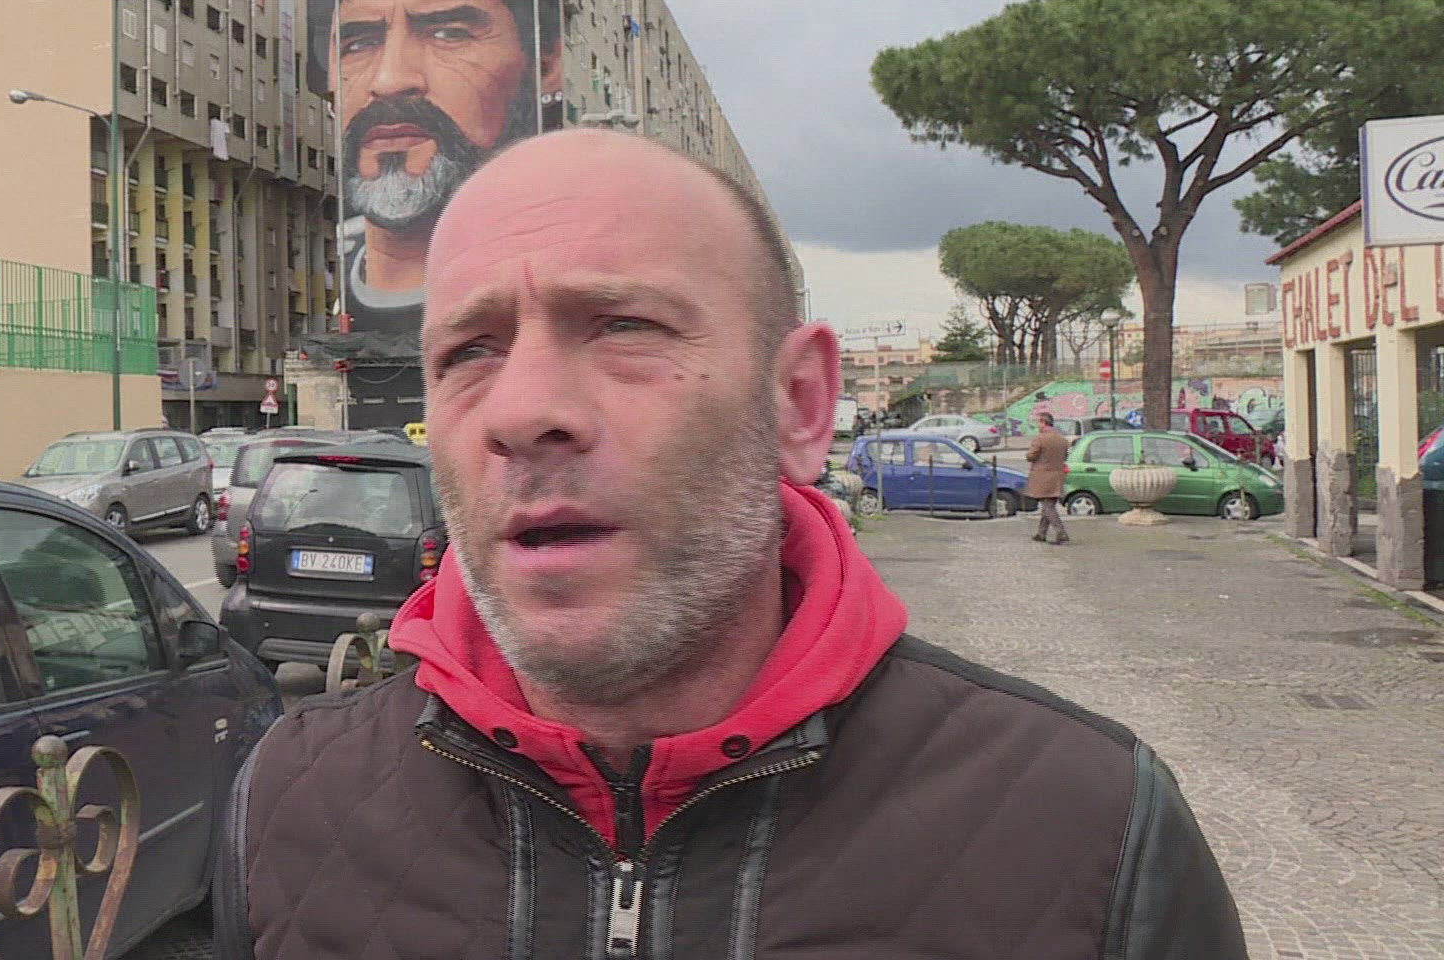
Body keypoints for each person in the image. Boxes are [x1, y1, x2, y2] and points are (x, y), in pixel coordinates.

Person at [215, 130, 1245, 958]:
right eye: (468, 351)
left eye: (622, 325)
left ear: (799, 405)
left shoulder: (1091, 831)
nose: (521, 412)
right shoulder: (285, 809)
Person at [308, 0, 562, 339]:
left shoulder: (589, 279)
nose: (389, 80)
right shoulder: (331, 274)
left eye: (448, 34)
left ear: (544, 65)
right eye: (359, 43)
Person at [1027, 411, 1073, 544]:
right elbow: (1065, 456)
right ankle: (1041, 533)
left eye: (1038, 422)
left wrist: (1029, 454)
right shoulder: (1062, 439)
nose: (1037, 425)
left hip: (1043, 477)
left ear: (1043, 422)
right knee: (1048, 504)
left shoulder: (1040, 439)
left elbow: (1031, 456)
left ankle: (1061, 533)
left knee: (1048, 506)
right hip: (1058, 476)